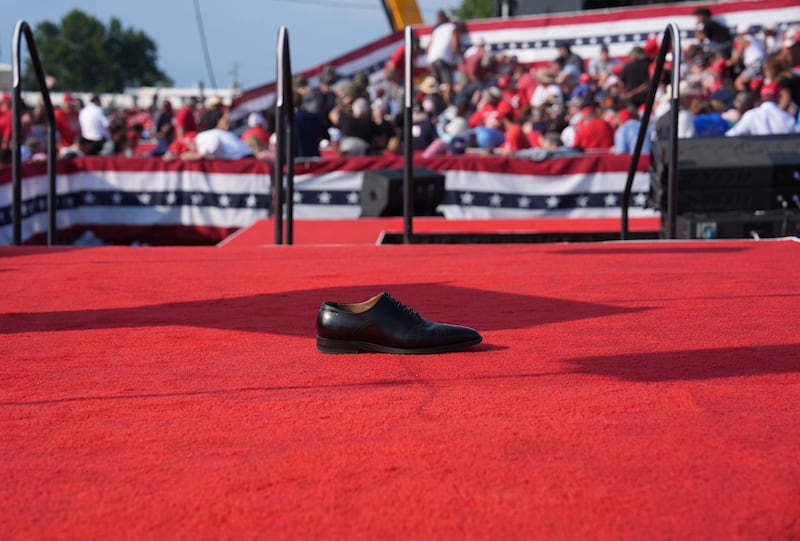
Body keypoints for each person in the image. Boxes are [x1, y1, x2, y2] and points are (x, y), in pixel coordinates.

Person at [725, 82, 800, 136]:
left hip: (758, 155)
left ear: (762, 97)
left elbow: (732, 135)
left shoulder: (751, 115)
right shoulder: (786, 117)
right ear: (778, 97)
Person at [426, 9, 461, 106]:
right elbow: (455, 44)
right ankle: (447, 106)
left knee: (436, 86)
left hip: (432, 58)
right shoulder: (452, 27)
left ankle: (436, 107)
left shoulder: (437, 30)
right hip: (443, 57)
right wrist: (460, 55)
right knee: (447, 84)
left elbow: (428, 47)